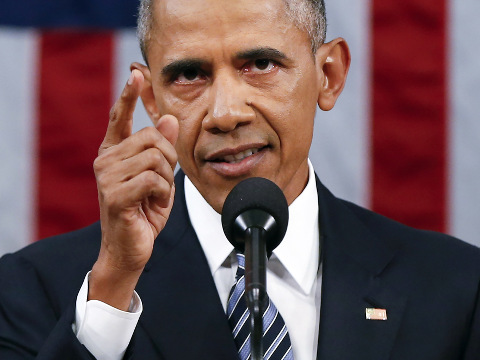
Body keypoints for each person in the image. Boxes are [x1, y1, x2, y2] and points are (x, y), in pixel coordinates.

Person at [1, 0, 479, 359]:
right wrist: (114, 287)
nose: (225, 114)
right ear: (151, 100)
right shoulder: (35, 289)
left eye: (260, 64)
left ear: (328, 74)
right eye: (189, 74)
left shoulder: (456, 288)